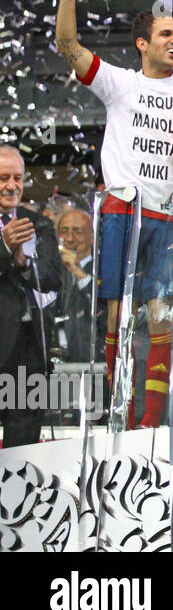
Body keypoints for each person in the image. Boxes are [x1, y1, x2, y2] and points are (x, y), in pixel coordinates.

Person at [54, 0, 173, 428]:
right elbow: (68, 48)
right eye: (165, 34)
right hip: (122, 212)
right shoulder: (119, 82)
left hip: (171, 217)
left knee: (162, 320)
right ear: (143, 43)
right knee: (119, 316)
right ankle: (118, 413)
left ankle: (149, 422)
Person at [0, 147, 62, 447]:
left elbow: (54, 278)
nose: (11, 186)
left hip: (29, 352)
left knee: (22, 454)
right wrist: (4, 249)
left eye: (17, 178)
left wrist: (25, 263)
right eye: (3, 178)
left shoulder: (37, 222)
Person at [55, 207, 96, 363]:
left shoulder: (104, 268)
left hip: (92, 361)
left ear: (92, 237)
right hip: (57, 362)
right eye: (64, 231)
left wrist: (78, 272)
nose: (70, 239)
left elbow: (101, 311)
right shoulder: (52, 271)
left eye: (77, 232)